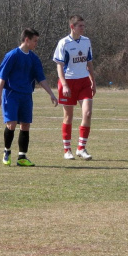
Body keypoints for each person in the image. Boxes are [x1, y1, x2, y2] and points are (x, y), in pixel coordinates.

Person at [0, 28, 58, 167]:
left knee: (25, 125)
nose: (36, 44)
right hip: (11, 95)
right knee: (11, 124)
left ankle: (22, 157)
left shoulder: (34, 58)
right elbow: (2, 76)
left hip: (26, 96)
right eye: (35, 41)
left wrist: (51, 94)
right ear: (26, 40)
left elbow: (41, 78)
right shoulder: (12, 55)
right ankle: (7, 152)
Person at [53, 15, 97, 160]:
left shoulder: (86, 41)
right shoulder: (63, 43)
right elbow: (59, 66)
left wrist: (93, 81)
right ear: (72, 27)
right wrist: (64, 84)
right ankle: (67, 150)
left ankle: (81, 148)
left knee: (88, 113)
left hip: (84, 81)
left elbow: (89, 62)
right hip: (68, 82)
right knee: (68, 116)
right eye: (80, 26)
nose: (83, 28)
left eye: (84, 26)